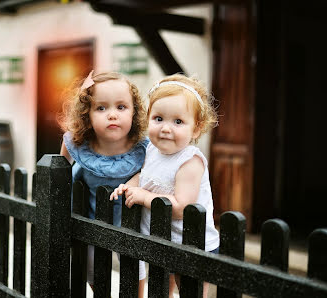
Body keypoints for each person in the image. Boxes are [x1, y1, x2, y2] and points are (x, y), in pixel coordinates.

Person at [110, 73, 220, 298]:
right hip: (162, 239)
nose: (166, 128)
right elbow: (145, 177)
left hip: (191, 244)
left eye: (178, 122)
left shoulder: (190, 161)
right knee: (162, 290)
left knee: (191, 291)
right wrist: (127, 186)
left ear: (196, 129)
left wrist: (143, 197)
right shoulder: (152, 149)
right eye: (158, 118)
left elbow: (181, 207)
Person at [59, 70, 149, 288]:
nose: (112, 114)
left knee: (133, 265)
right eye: (101, 108)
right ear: (86, 115)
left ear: (134, 112)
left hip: (129, 221)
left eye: (121, 107)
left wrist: (135, 180)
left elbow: (152, 174)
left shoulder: (143, 148)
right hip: (90, 219)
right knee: (91, 265)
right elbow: (60, 169)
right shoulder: (80, 144)